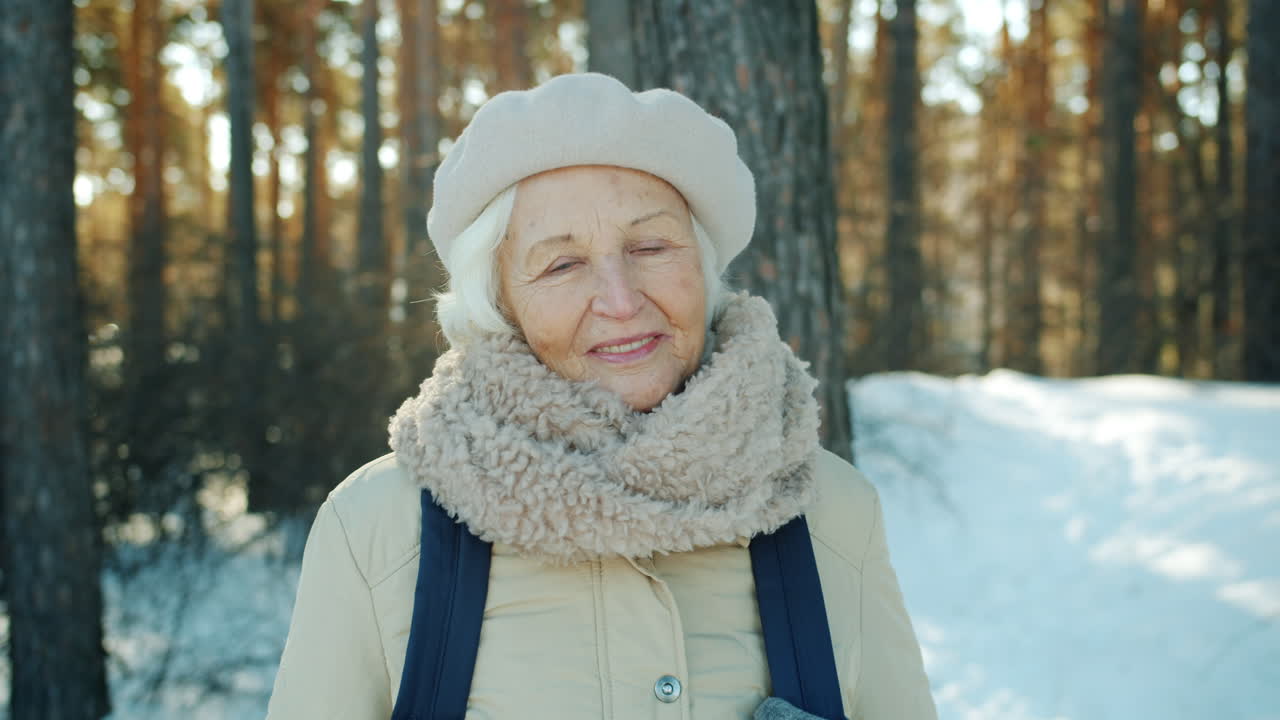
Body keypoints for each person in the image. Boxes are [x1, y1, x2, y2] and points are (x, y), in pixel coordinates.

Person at [266, 72, 935, 720]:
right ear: (498, 304)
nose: (620, 300)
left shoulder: (834, 513)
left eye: (650, 245)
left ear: (702, 268)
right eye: (561, 264)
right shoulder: (375, 531)